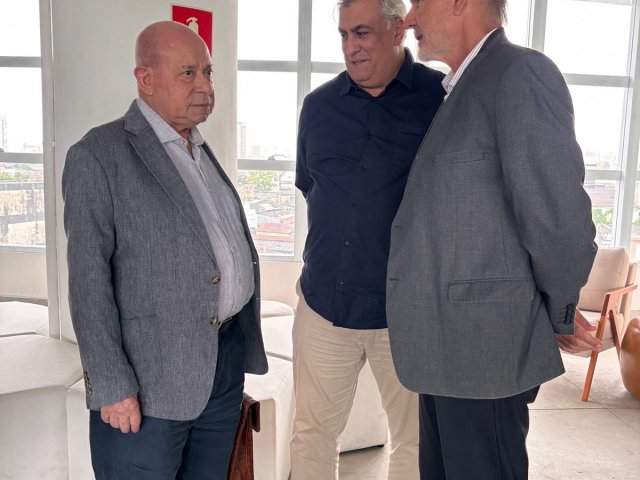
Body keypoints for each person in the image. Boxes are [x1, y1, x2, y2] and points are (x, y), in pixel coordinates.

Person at [386, 1, 601, 479]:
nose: (410, 19)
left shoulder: (520, 75)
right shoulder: (463, 86)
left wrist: (559, 310)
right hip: (445, 350)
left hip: (484, 354)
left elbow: (557, 215)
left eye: (419, 3)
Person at [62, 21, 267, 480]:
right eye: (188, 73)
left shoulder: (196, 148)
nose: (206, 87)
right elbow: (88, 283)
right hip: (146, 385)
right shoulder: (98, 155)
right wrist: (112, 384)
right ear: (146, 79)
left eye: (208, 73)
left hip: (220, 368)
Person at [292, 0, 445, 478]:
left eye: (362, 33)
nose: (350, 47)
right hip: (324, 307)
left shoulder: (441, 99)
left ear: (397, 30)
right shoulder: (318, 107)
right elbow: (311, 186)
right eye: (343, 35)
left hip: (406, 315)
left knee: (416, 441)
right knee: (312, 435)